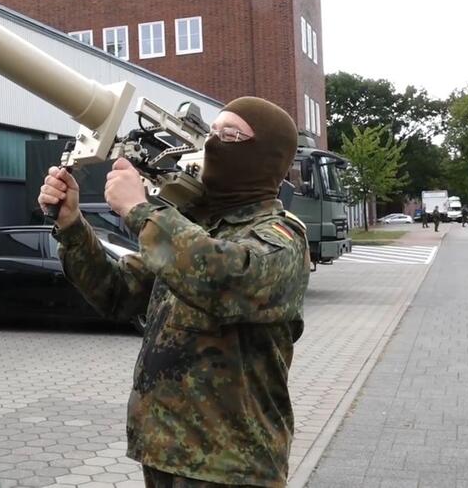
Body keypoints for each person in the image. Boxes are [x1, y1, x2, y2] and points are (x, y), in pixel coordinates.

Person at [38, 97, 309, 487]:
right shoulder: (194, 229)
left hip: (232, 465)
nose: (213, 144)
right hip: (167, 451)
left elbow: (223, 278)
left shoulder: (280, 237)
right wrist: (72, 226)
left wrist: (140, 209)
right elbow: (118, 292)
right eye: (212, 132)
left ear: (266, 156)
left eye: (230, 135)